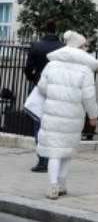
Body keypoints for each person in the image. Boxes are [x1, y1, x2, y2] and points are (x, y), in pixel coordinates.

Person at [36, 30, 98, 200]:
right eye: (84, 46)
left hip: (52, 113)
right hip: (73, 115)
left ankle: (52, 186)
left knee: (54, 152)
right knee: (67, 151)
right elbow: (89, 96)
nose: (85, 49)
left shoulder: (52, 65)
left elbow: (42, 87)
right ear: (78, 47)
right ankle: (62, 184)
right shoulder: (85, 70)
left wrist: (54, 94)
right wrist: (93, 115)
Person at [24, 19, 60, 173]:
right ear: (56, 30)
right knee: (54, 124)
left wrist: (34, 79)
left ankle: (42, 160)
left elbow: (28, 68)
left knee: (38, 122)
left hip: (38, 86)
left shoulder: (36, 46)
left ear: (45, 30)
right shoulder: (62, 48)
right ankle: (53, 159)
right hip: (56, 88)